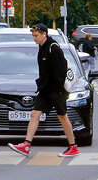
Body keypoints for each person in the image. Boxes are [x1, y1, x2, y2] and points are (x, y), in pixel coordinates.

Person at [8, 23, 78, 158]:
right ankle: (26, 145)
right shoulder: (42, 48)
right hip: (45, 90)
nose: (34, 38)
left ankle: (73, 146)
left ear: (44, 35)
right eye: (33, 36)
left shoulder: (54, 48)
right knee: (35, 113)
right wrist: (42, 86)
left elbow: (61, 71)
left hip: (57, 91)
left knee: (62, 117)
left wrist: (60, 91)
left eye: (36, 36)